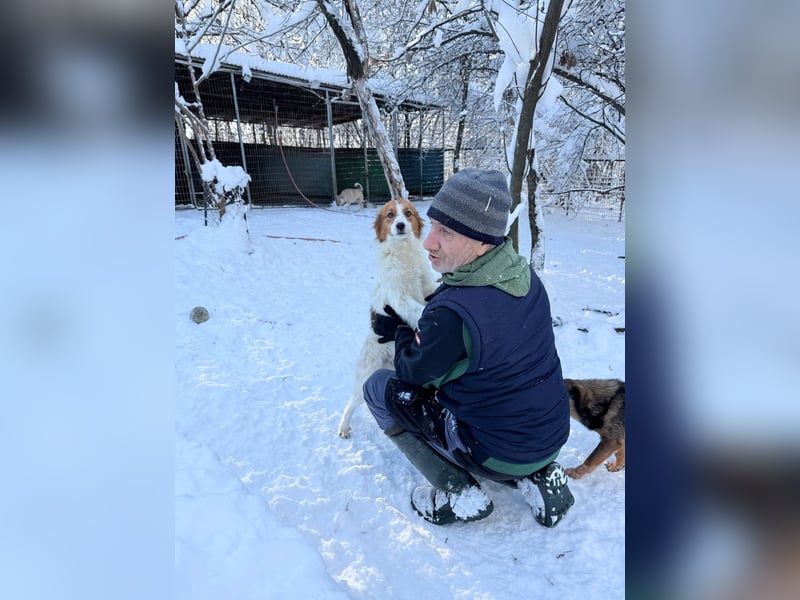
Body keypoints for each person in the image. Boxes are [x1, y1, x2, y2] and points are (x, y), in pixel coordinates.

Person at [363, 168, 575, 527]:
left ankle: (459, 491)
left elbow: (412, 373)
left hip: (495, 452)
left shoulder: (453, 314)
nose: (429, 242)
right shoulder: (523, 276)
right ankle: (539, 476)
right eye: (432, 226)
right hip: (550, 436)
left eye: (446, 232)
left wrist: (399, 330)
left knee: (378, 388)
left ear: (482, 241)